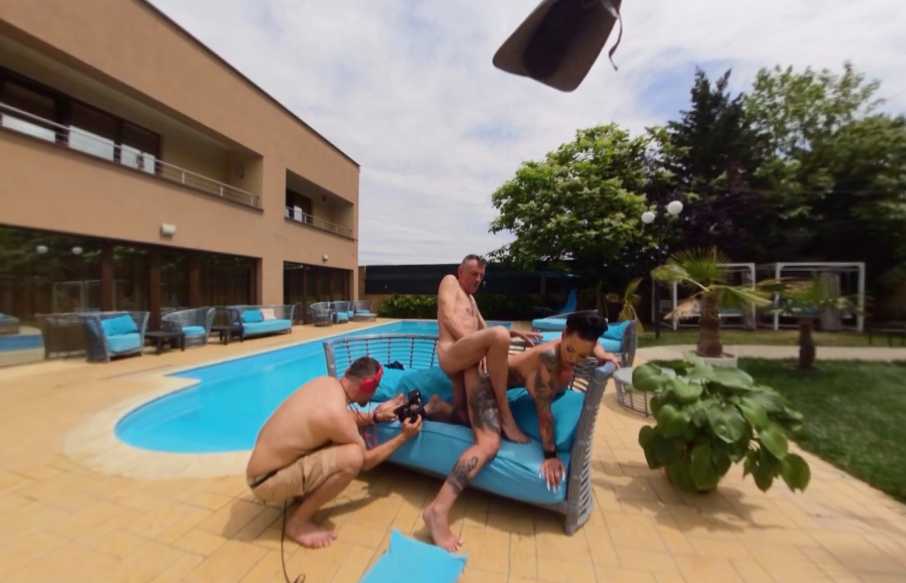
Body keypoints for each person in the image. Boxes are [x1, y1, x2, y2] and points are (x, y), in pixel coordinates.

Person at [423, 311, 619, 551]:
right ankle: (437, 510)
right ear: (563, 335)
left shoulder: (578, 345)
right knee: (488, 444)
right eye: (570, 350)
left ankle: (440, 408)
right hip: (485, 384)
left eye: (582, 355)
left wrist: (602, 353)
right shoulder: (549, 361)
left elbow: (589, 345)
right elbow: (544, 415)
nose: (573, 359)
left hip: (498, 386)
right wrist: (550, 455)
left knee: (472, 421)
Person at [246, 357, 422, 548]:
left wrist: (375, 416)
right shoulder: (336, 416)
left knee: (332, 439)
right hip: (266, 482)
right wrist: (404, 437)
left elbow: (339, 418)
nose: (376, 392)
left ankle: (299, 492)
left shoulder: (326, 383)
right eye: (376, 387)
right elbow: (366, 461)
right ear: (367, 387)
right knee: (353, 457)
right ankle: (297, 523)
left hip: (264, 470)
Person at [436, 254, 541, 443]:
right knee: (499, 334)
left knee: (462, 416)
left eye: (481, 276)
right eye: (474, 274)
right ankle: (506, 416)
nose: (478, 279)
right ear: (460, 271)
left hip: (465, 353)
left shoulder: (471, 300)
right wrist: (477, 347)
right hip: (450, 352)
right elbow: (447, 318)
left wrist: (513, 333)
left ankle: (437, 407)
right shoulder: (450, 282)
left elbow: (485, 330)